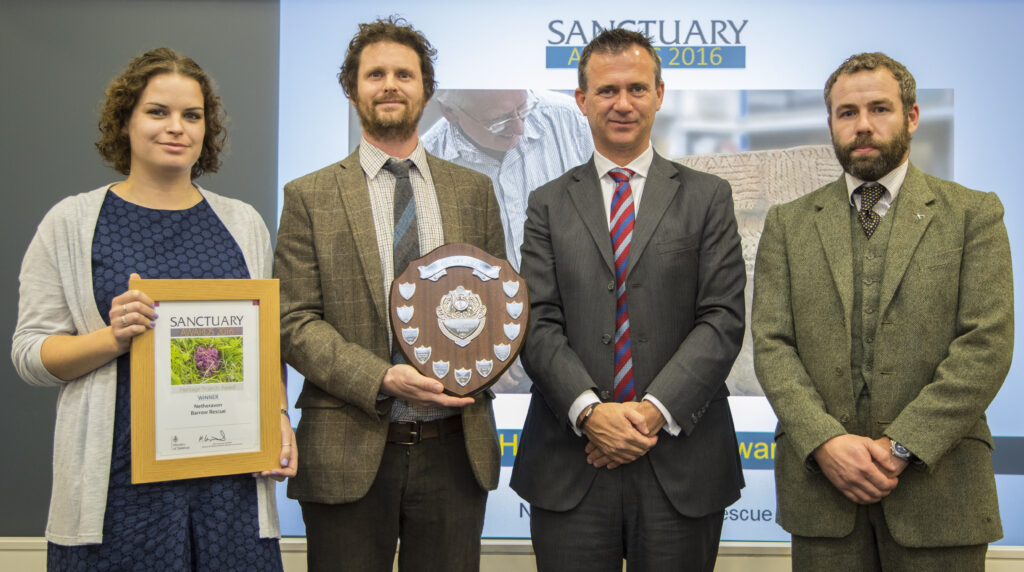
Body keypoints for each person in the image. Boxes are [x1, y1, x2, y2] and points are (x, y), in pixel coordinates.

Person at [11, 47, 296, 571]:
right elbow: (30, 355)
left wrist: (278, 414)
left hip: (228, 485)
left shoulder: (243, 224)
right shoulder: (71, 223)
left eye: (192, 115)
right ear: (124, 122)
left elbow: (264, 343)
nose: (177, 128)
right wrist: (111, 338)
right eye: (157, 112)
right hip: (115, 488)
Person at [752, 52, 1012, 571]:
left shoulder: (973, 214)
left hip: (941, 495)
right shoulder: (788, 223)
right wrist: (825, 441)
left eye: (880, 109)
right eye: (847, 112)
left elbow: (986, 345)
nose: (863, 125)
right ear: (830, 123)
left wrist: (901, 447)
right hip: (823, 497)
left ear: (911, 117)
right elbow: (771, 344)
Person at [510, 28, 747, 571]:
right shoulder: (547, 204)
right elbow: (537, 322)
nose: (623, 103)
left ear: (660, 95)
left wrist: (649, 414)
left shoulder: (708, 197)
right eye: (607, 90)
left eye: (637, 89)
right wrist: (591, 413)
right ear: (582, 101)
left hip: (680, 465)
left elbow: (722, 320)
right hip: (571, 463)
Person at [274, 16, 505, 572]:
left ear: (426, 88)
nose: (390, 85)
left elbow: (500, 309)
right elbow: (293, 321)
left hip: (455, 447)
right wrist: (380, 377)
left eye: (404, 73)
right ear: (352, 89)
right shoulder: (309, 195)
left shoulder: (473, 191)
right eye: (374, 74)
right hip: (347, 449)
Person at [423, 89, 593, 270]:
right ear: (449, 111)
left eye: (523, 108)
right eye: (499, 120)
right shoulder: (425, 166)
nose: (519, 128)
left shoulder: (572, 121)